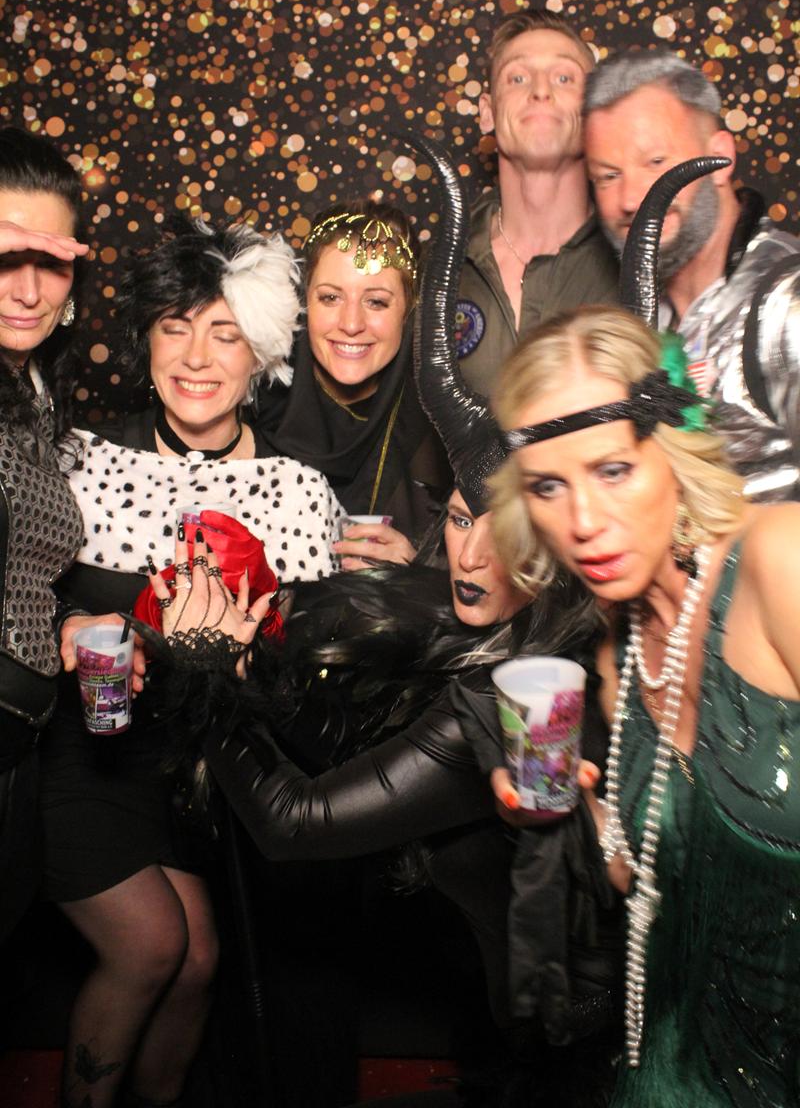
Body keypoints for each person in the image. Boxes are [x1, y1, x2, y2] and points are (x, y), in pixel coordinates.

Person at [144, 140, 623, 1108]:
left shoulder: (509, 680)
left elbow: (303, 819)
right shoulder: (259, 419)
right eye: (459, 523)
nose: (473, 554)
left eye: (377, 300)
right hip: (451, 945)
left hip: (559, 1028)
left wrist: (206, 671)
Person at [42, 214, 342, 1108]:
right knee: (150, 947)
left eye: (225, 333)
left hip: (201, 779)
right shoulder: (82, 461)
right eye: (176, 328)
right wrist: (68, 624)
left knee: (198, 958)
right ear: (147, 341)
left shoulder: (298, 492)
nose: (198, 357)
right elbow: (24, 598)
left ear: (262, 355)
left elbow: (314, 696)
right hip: (88, 755)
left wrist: (246, 664)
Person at [489, 301, 800, 1106]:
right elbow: (644, 878)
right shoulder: (615, 656)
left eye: (613, 470)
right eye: (549, 486)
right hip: (678, 1058)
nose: (584, 522)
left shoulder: (780, 563)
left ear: (674, 451)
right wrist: (571, 811)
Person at [584, 48, 800, 501]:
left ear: (720, 157)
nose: (631, 199)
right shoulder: (632, 322)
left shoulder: (787, 301)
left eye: (655, 163)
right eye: (608, 176)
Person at [0, 126, 89, 943]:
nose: (28, 290)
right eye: (5, 256)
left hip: (19, 755)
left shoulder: (34, 391)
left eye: (51, 262)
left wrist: (66, 622)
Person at [257, 199, 451, 567]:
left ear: (408, 310)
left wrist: (418, 574)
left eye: (376, 302)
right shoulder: (254, 399)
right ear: (305, 301)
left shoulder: (439, 424)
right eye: (330, 297)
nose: (350, 324)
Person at [456, 8, 618, 398]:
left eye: (564, 78)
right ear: (487, 112)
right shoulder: (438, 266)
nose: (541, 91)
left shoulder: (639, 260)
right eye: (518, 78)